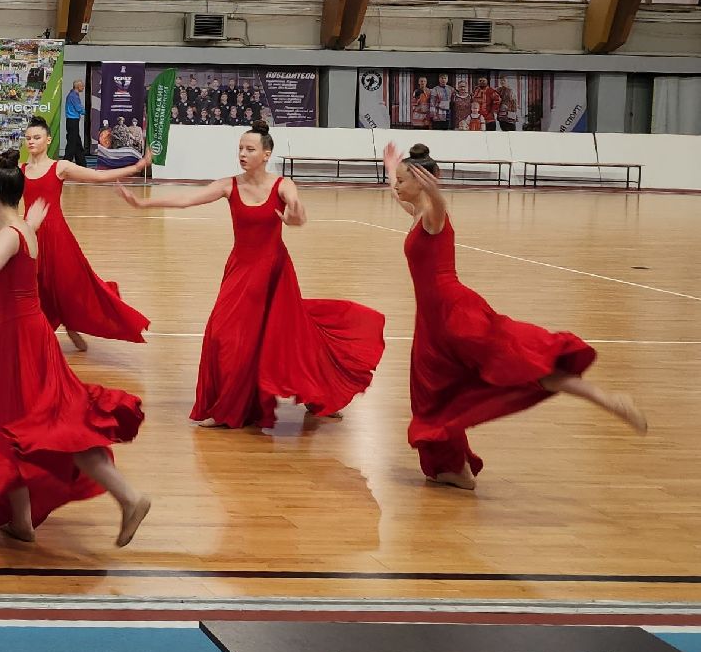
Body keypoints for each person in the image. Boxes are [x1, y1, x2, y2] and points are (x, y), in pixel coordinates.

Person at [384, 143, 644, 489]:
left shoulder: (433, 213)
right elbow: (396, 194)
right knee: (433, 396)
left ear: (423, 181)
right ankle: (455, 469)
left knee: (521, 366)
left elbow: (439, 205)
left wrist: (436, 189)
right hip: (433, 323)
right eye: (399, 181)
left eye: (404, 180)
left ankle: (608, 400)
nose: (398, 186)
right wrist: (391, 166)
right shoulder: (416, 212)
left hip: (456, 316)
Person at [0, 150, 151, 547]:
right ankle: (22, 521)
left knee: (52, 428)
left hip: (21, 343)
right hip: (27, 338)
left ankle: (130, 496)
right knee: (22, 430)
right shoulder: (26, 229)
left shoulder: (10, 236)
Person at [119, 121, 385, 431]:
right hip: (241, 269)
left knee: (288, 336)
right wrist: (144, 202)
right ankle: (227, 406)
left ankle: (318, 395)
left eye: (250, 149)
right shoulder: (229, 185)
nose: (243, 154)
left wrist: (294, 215)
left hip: (274, 272)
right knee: (222, 334)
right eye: (240, 149)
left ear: (266, 154)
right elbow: (187, 199)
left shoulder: (282, 185)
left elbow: (298, 216)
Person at [0, 117, 150, 354]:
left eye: (36, 137)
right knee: (38, 288)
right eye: (28, 138)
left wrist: (135, 168)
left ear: (48, 139)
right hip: (30, 235)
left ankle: (73, 326)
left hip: (58, 237)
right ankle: (51, 333)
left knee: (69, 286)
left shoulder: (59, 167)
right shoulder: (20, 171)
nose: (31, 142)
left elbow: (97, 176)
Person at [63, 80, 86, 165]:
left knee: (77, 143)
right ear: (78, 87)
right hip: (73, 121)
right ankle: (66, 162)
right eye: (82, 86)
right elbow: (79, 108)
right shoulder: (74, 96)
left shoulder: (72, 95)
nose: (83, 87)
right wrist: (85, 111)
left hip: (72, 121)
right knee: (72, 143)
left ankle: (81, 162)